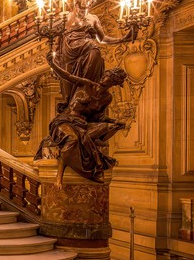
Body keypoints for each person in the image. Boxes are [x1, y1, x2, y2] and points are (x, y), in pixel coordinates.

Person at [38, 53, 127, 187]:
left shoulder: (106, 98)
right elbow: (67, 77)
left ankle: (94, 170)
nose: (104, 78)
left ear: (113, 83)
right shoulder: (87, 85)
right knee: (73, 139)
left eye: (109, 78)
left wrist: (114, 122)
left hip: (83, 124)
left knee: (107, 127)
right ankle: (59, 177)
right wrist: (52, 64)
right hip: (65, 121)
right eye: (106, 75)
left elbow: (99, 117)